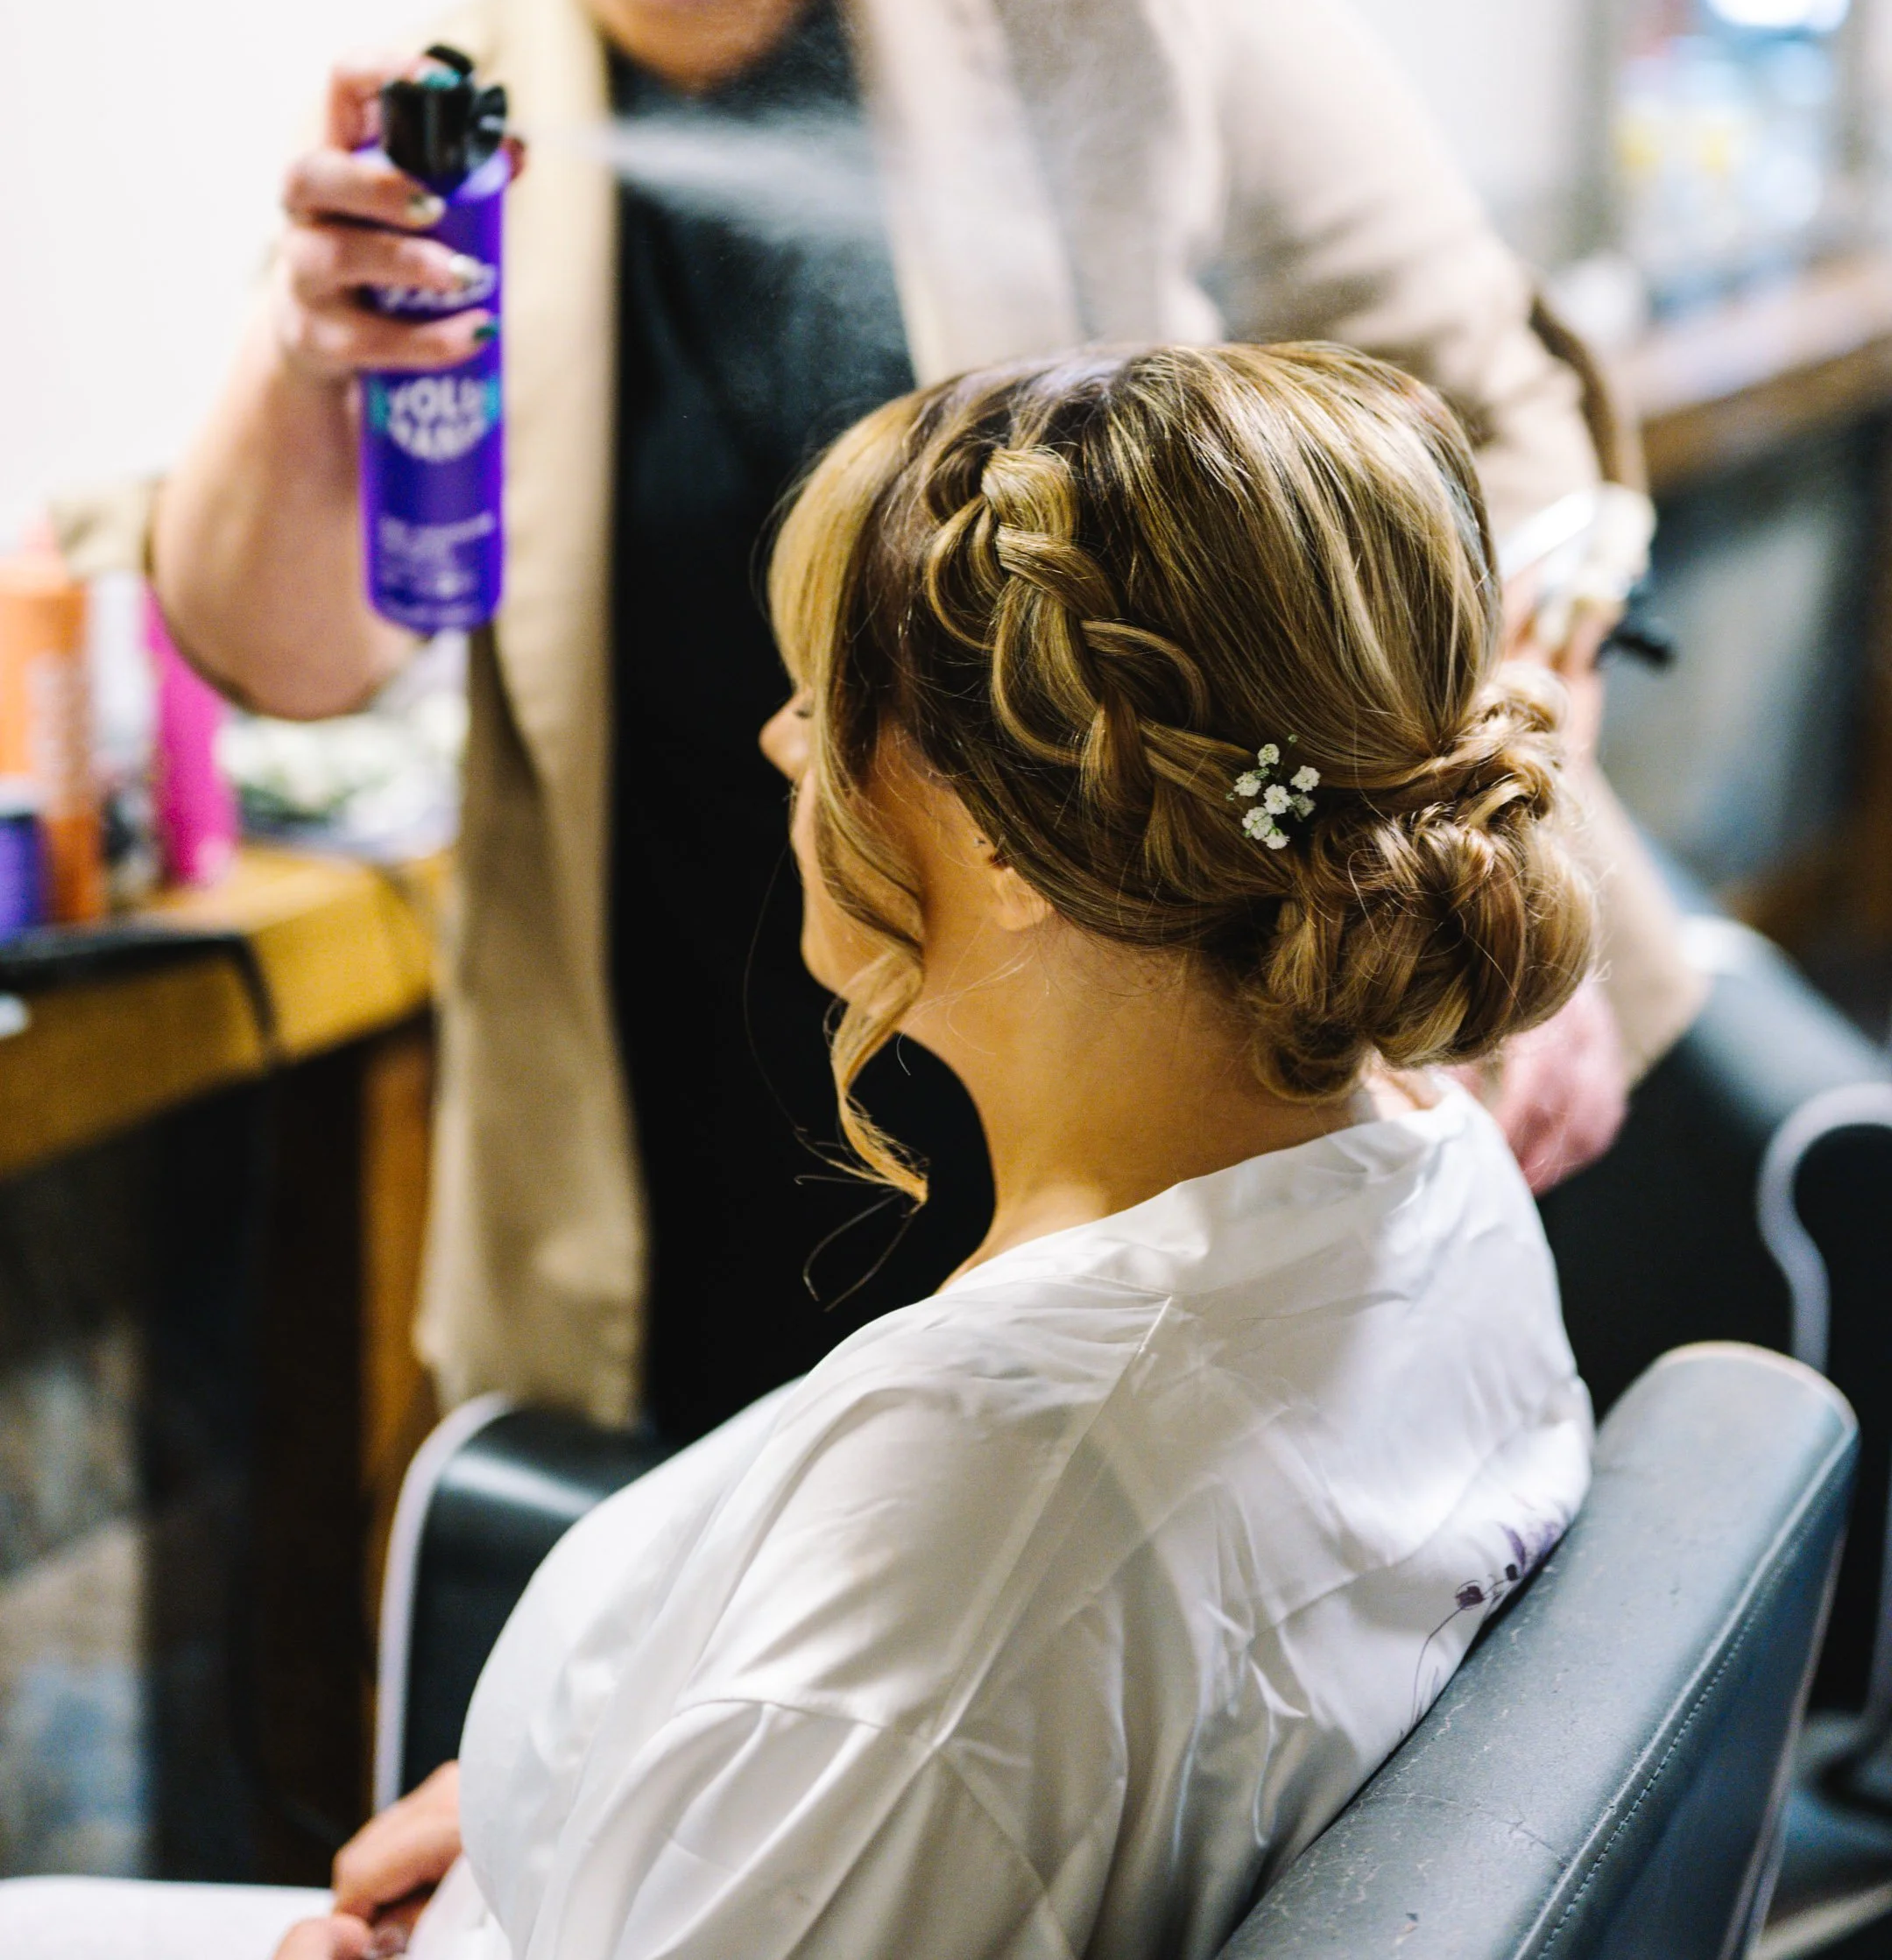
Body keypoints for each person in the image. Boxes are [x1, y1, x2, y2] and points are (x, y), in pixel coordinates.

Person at [152, 0, 1696, 1443]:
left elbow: (1505, 431)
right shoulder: (452, 134)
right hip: (692, 1090)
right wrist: (302, 353)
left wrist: (1513, 871)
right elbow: (296, 659)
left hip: (1180, 1045)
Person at [10, 342, 1596, 1960]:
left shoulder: (994, 1519)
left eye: (834, 700)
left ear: (1010, 834)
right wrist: (584, 1800)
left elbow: (932, 1700)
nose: (784, 742)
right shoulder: (1434, 1184)